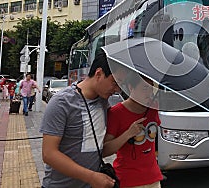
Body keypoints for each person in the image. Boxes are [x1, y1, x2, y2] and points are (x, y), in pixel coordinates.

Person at [40, 50, 127, 188]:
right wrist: (91, 177)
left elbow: (100, 148)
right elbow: (49, 154)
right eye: (115, 83)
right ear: (99, 74)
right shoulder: (62, 102)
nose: (117, 90)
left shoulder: (103, 102)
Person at [104, 72, 163, 188]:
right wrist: (128, 134)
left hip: (153, 178)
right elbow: (105, 150)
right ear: (131, 88)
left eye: (152, 88)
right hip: (128, 179)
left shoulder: (153, 109)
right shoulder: (116, 113)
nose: (150, 92)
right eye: (145, 88)